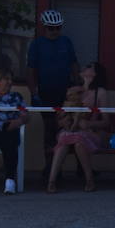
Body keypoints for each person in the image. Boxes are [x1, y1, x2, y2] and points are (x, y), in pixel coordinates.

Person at [27, 10, 79, 178]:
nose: (55, 31)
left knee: (71, 128)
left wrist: (78, 84)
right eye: (51, 28)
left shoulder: (66, 42)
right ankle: (51, 169)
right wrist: (34, 92)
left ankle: (80, 168)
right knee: (50, 131)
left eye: (58, 28)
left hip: (66, 93)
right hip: (46, 94)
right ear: (45, 28)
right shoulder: (36, 45)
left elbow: (74, 64)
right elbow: (30, 71)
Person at [47, 63, 108, 193]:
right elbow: (63, 113)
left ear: (95, 73)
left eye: (89, 66)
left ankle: (89, 180)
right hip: (71, 129)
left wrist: (88, 124)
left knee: (79, 142)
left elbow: (106, 122)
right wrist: (62, 120)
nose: (85, 66)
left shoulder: (100, 93)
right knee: (64, 139)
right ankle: (51, 181)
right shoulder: (73, 90)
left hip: (92, 132)